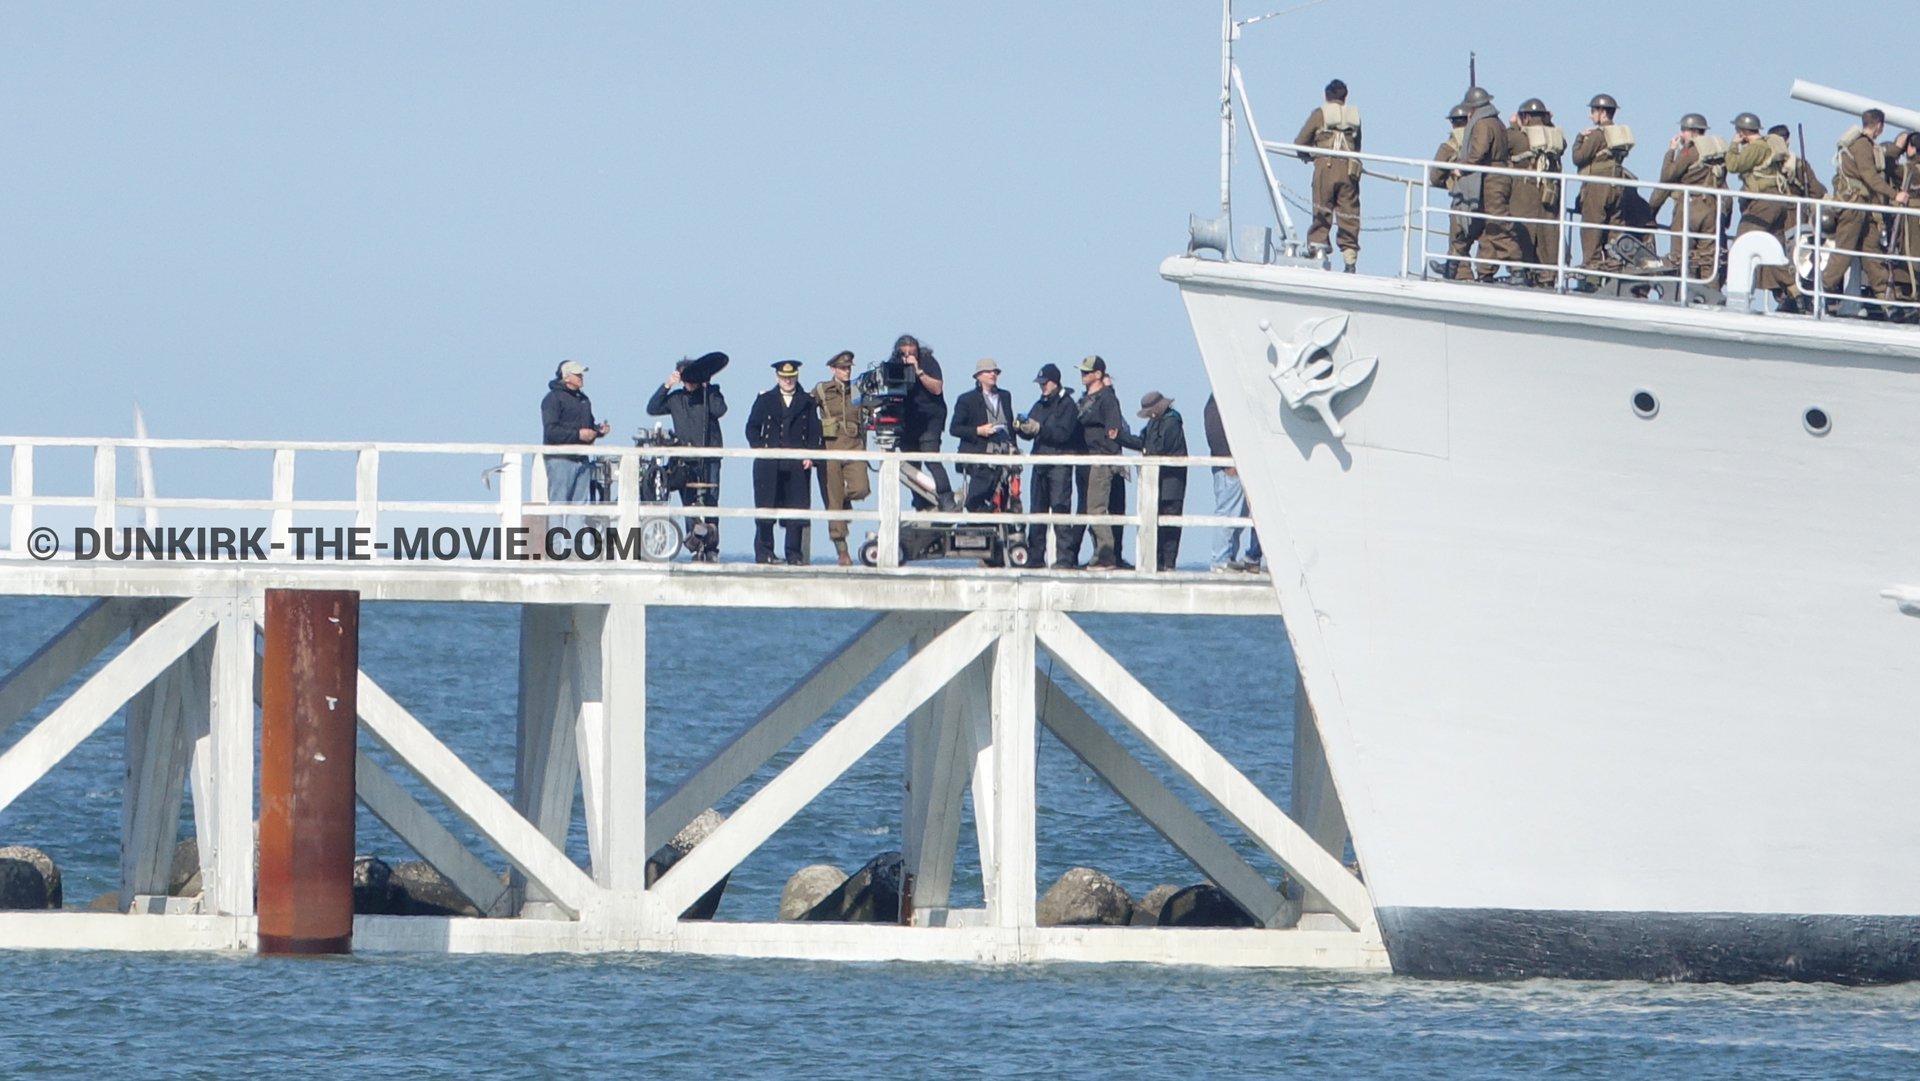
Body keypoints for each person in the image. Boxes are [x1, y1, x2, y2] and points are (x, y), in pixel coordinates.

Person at [1822, 108, 1906, 313]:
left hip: (1863, 207)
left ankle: (1886, 301)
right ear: (1879, 126)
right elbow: (1870, 176)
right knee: (1844, 252)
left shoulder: (1861, 144)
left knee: (1871, 252)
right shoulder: (1861, 145)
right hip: (1854, 206)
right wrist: (1895, 194)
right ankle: (1820, 291)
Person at [647, 351, 728, 561]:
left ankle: (711, 548)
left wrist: (707, 387)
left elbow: (721, 410)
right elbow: (653, 408)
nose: (690, 382)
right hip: (684, 459)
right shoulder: (676, 398)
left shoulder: (709, 394)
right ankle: (695, 544)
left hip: (709, 457)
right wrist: (667, 384)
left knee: (710, 501)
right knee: (690, 503)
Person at [1725, 114, 1805, 309]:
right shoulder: (1768, 145)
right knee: (1774, 250)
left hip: (1764, 202)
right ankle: (1796, 292)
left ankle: (1736, 297)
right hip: (1776, 201)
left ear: (1742, 132)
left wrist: (1734, 145)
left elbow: (1733, 165)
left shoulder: (1757, 147)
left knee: (1741, 245)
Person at [745, 360, 821, 565]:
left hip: (797, 462)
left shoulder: (807, 401)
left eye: (791, 377)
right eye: (784, 377)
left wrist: (810, 455)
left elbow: (815, 431)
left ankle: (794, 555)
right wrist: (760, 448)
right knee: (765, 509)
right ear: (777, 377)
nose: (788, 381)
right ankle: (765, 553)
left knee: (796, 510)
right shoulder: (764, 400)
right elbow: (752, 427)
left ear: (796, 376)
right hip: (769, 463)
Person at [1454, 86, 1527, 281]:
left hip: (1491, 179)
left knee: (1498, 223)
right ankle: (1481, 270)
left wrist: (1462, 166)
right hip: (1496, 177)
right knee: (1488, 227)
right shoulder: (1496, 122)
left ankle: (1516, 268)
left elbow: (1479, 151)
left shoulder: (1483, 124)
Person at [1015, 362, 1082, 568]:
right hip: (1040, 463)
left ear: (1054, 382)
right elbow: (1032, 434)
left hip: (1059, 464)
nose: (1042, 387)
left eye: (1045, 383)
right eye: (1040, 383)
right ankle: (1035, 557)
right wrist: (1021, 428)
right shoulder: (1040, 404)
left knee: (1060, 511)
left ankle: (1064, 558)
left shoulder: (1068, 405)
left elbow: (1063, 434)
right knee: (1037, 512)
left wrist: (1039, 428)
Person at [1650, 114, 1728, 286]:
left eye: (1684, 130)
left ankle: (1685, 293)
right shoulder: (1716, 152)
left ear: (1692, 132)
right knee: (1709, 258)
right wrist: (1725, 218)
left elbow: (1667, 175)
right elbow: (1724, 186)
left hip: (1690, 207)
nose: (1681, 134)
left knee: (1682, 257)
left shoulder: (1689, 150)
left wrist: (1671, 151)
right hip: (1712, 209)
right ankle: (1712, 294)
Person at [1293, 78, 1362, 272]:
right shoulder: (1355, 118)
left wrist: (1309, 156)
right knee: (1349, 213)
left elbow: (1300, 142)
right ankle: (1350, 260)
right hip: (1349, 171)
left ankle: (1318, 249)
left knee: (1322, 210)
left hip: (1325, 167)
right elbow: (1358, 148)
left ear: (1326, 96)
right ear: (1345, 97)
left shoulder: (1319, 114)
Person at [810, 350, 870, 565]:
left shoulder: (857, 390)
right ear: (833, 369)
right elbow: (805, 410)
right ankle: (842, 550)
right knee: (832, 502)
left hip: (854, 447)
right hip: (830, 449)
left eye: (848, 368)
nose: (846, 371)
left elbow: (870, 412)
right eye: (842, 368)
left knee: (861, 488)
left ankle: (843, 500)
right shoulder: (822, 390)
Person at [1072, 356, 1131, 570]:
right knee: (1088, 509)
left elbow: (1113, 432)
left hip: (1100, 460)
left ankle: (1107, 555)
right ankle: (1099, 553)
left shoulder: (1107, 398)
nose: (1082, 375)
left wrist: (1107, 459)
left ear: (1098, 374)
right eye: (1081, 371)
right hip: (1085, 460)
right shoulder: (1084, 399)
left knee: (1097, 508)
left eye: (1087, 372)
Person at [540, 360, 609, 531]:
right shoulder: (552, 399)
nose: (581, 377)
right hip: (560, 459)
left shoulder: (584, 400)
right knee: (558, 503)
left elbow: (588, 426)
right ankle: (555, 548)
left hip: (582, 459)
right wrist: (578, 434)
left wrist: (598, 430)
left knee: (579, 505)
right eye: (577, 374)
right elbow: (551, 431)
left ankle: (573, 549)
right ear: (566, 377)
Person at [890, 334, 956, 512]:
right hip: (908, 418)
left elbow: (937, 388)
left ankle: (946, 497)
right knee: (911, 465)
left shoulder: (928, 362)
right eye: (904, 353)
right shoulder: (894, 364)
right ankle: (921, 502)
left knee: (931, 456)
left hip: (930, 417)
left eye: (912, 352)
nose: (908, 356)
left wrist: (918, 370)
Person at [1122, 392, 1187, 572]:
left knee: (1170, 521)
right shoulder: (1154, 423)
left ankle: (1168, 563)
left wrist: (1145, 448)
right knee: (1156, 520)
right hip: (1157, 482)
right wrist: (1119, 437)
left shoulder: (1173, 423)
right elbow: (1142, 442)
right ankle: (1156, 561)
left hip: (1172, 481)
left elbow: (1159, 447)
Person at [1572, 93, 1632, 281]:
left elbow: (1578, 158)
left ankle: (1592, 277)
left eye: (1593, 111)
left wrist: (1579, 139)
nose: (1590, 115)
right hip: (1617, 185)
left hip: (1597, 186)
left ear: (1602, 112)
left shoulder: (1598, 135)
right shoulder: (1619, 135)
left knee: (1591, 229)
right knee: (1615, 228)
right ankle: (1615, 274)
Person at [1508, 99, 1566, 286]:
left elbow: (1502, 145)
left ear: (1525, 116)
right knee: (1548, 235)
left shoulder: (1517, 136)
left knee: (1523, 232)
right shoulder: (1557, 138)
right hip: (1550, 193)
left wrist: (1513, 126)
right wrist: (1548, 122)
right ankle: (1548, 276)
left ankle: (1522, 273)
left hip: (1524, 193)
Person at [949, 358, 1017, 512]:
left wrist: (1015, 448)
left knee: (1005, 493)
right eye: (988, 371)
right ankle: (976, 512)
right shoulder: (967, 400)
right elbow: (955, 428)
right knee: (980, 487)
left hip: (1003, 455)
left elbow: (1010, 425)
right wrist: (978, 431)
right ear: (978, 376)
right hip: (979, 455)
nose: (992, 374)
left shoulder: (1005, 396)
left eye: (995, 371)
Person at [1204, 395, 1261, 572]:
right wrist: (1227, 461)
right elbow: (1215, 430)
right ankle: (1221, 561)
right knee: (1229, 513)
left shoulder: (1220, 402)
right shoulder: (1217, 404)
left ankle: (1227, 559)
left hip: (1235, 466)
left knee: (1237, 516)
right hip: (1229, 468)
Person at [1429, 104, 1471, 279]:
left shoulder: (1449, 145)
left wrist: (1448, 179)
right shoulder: (1479, 140)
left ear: (1453, 123)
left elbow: (1435, 175)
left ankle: (1462, 273)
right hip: (1486, 195)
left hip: (1462, 196)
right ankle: (1486, 274)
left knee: (1458, 233)